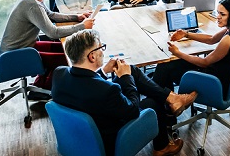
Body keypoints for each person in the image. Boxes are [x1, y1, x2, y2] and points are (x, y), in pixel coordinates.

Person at [51, 29, 198, 156]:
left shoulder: (59, 74)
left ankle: (172, 98)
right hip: (108, 139)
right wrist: (126, 77)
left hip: (77, 135)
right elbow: (132, 109)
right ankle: (162, 146)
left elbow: (86, 85)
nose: (103, 50)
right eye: (101, 47)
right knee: (152, 103)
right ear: (92, 56)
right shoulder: (107, 90)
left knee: (132, 70)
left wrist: (103, 72)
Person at [152, 0, 230, 125]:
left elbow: (205, 62)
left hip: (212, 82)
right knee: (167, 65)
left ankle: (163, 114)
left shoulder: (228, 39)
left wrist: (178, 53)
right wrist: (186, 34)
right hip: (221, 76)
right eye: (217, 12)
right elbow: (211, 39)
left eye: (222, 14)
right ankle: (170, 107)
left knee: (164, 69)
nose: (217, 17)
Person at [0, 0, 94, 91]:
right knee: (70, 59)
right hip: (16, 55)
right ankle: (49, 89)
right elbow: (53, 33)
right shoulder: (32, 4)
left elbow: (50, 14)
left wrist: (77, 17)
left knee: (67, 48)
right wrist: (82, 27)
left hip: (23, 47)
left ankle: (41, 84)